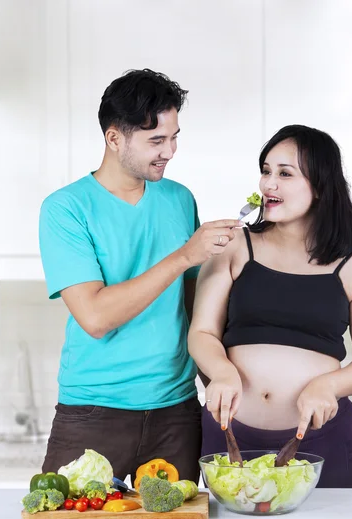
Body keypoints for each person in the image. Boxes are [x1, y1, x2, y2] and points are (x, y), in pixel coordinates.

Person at [39, 68, 241, 484]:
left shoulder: (179, 199)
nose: (170, 151)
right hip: (92, 412)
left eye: (174, 137)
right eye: (156, 141)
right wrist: (185, 255)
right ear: (114, 138)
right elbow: (94, 318)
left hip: (177, 411)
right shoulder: (66, 209)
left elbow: (194, 307)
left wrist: (217, 379)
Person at [188, 124, 352, 488]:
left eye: (285, 174)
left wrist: (329, 385)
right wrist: (221, 371)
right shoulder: (235, 246)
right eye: (266, 171)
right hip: (229, 435)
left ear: (320, 186)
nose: (269, 184)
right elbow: (202, 331)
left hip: (320, 441)